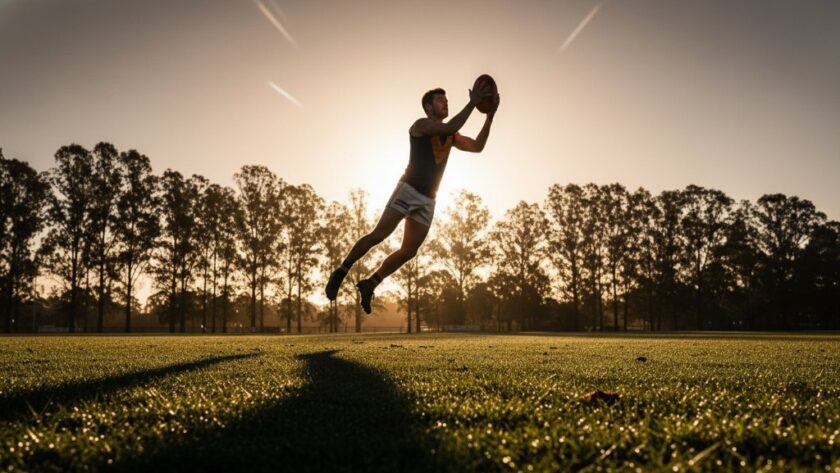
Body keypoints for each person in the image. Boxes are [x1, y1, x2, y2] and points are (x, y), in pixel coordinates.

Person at [325, 82, 499, 314]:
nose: (445, 102)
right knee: (379, 235)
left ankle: (370, 283)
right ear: (428, 107)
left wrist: (490, 117)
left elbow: (477, 146)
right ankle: (341, 271)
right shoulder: (421, 125)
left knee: (409, 251)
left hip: (429, 200)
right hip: (409, 189)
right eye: (440, 100)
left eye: (446, 99)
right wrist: (473, 102)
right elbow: (450, 127)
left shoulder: (451, 135)